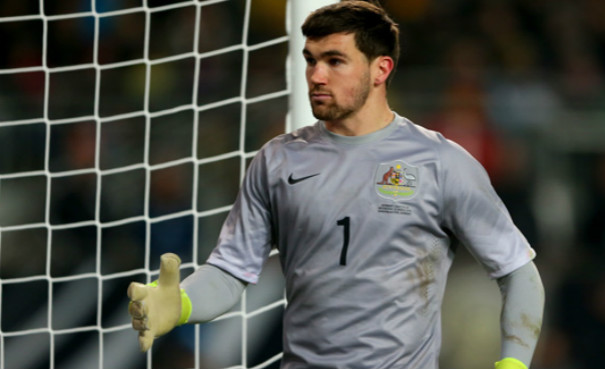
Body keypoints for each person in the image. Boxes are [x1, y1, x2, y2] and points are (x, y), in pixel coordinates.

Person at [127, 1, 545, 368]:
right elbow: (231, 272)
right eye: (310, 60)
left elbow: (518, 271)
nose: (317, 75)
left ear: (381, 69)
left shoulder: (440, 162)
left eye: (334, 60)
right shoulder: (277, 160)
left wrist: (512, 363)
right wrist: (180, 303)